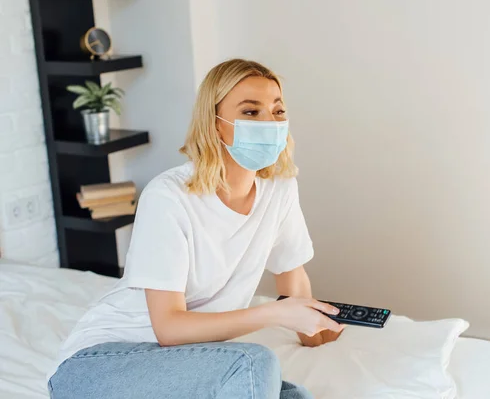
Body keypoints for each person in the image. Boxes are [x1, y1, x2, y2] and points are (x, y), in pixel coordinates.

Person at [46, 59, 344, 399]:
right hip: (97, 367)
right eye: (250, 112)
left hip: (183, 362)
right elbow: (169, 328)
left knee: (296, 396)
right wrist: (274, 313)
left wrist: (315, 326)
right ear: (215, 123)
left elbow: (293, 279)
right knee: (251, 364)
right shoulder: (169, 196)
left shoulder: (280, 189)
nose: (270, 123)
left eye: (277, 111)